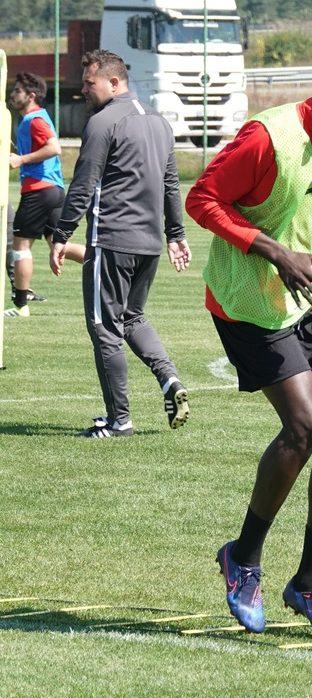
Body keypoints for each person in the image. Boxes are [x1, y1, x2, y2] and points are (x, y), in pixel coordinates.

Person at [186, 43, 312, 639]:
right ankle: (243, 557)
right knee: (304, 426)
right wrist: (275, 251)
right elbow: (201, 199)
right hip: (247, 298)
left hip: (308, 289)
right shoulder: (268, 136)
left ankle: (308, 585)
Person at [50, 50, 192, 439]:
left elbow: (83, 185)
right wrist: (175, 234)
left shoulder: (103, 122)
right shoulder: (160, 124)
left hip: (111, 240)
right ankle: (169, 380)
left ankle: (119, 421)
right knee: (132, 318)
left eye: (89, 83)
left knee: (104, 327)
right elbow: (170, 184)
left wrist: (61, 236)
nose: (83, 90)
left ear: (114, 82)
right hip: (148, 244)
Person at [5, 72, 85, 318]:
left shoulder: (34, 120)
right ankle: (106, 263)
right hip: (53, 191)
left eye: (17, 91)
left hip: (39, 191)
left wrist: (21, 159)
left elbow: (54, 147)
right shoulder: (32, 119)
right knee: (58, 244)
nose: (12, 95)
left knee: (20, 246)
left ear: (30, 96)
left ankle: (22, 303)